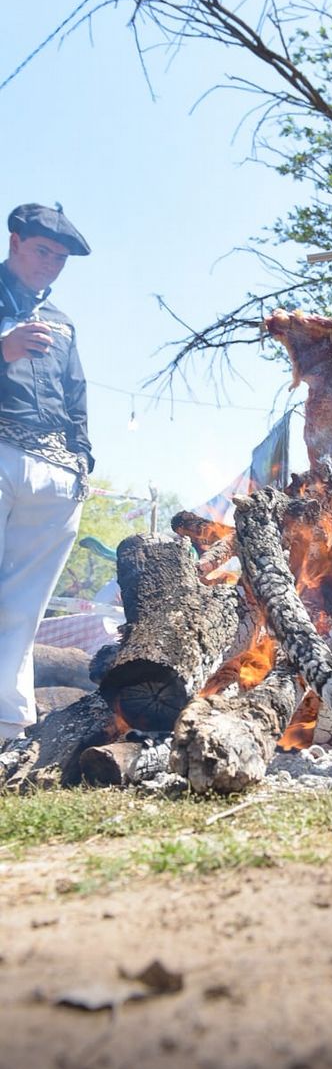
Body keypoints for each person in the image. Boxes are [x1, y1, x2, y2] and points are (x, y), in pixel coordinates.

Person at [0, 203, 93, 742]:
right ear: (14, 242)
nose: (51, 265)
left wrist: (82, 461)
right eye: (43, 252)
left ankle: (8, 727)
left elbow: (76, 397)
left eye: (60, 259)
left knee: (23, 607)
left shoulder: (62, 321)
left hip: (55, 471)